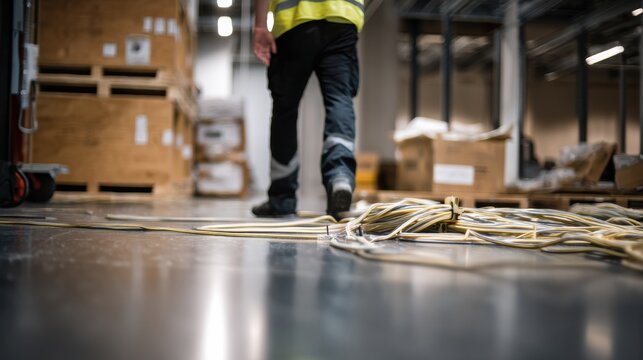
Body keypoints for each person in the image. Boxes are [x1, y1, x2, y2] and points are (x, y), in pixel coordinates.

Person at [251, 0, 364, 219]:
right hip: (343, 16)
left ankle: (282, 199)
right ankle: (339, 177)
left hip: (294, 20)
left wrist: (260, 26)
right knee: (340, 99)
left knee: (285, 109)